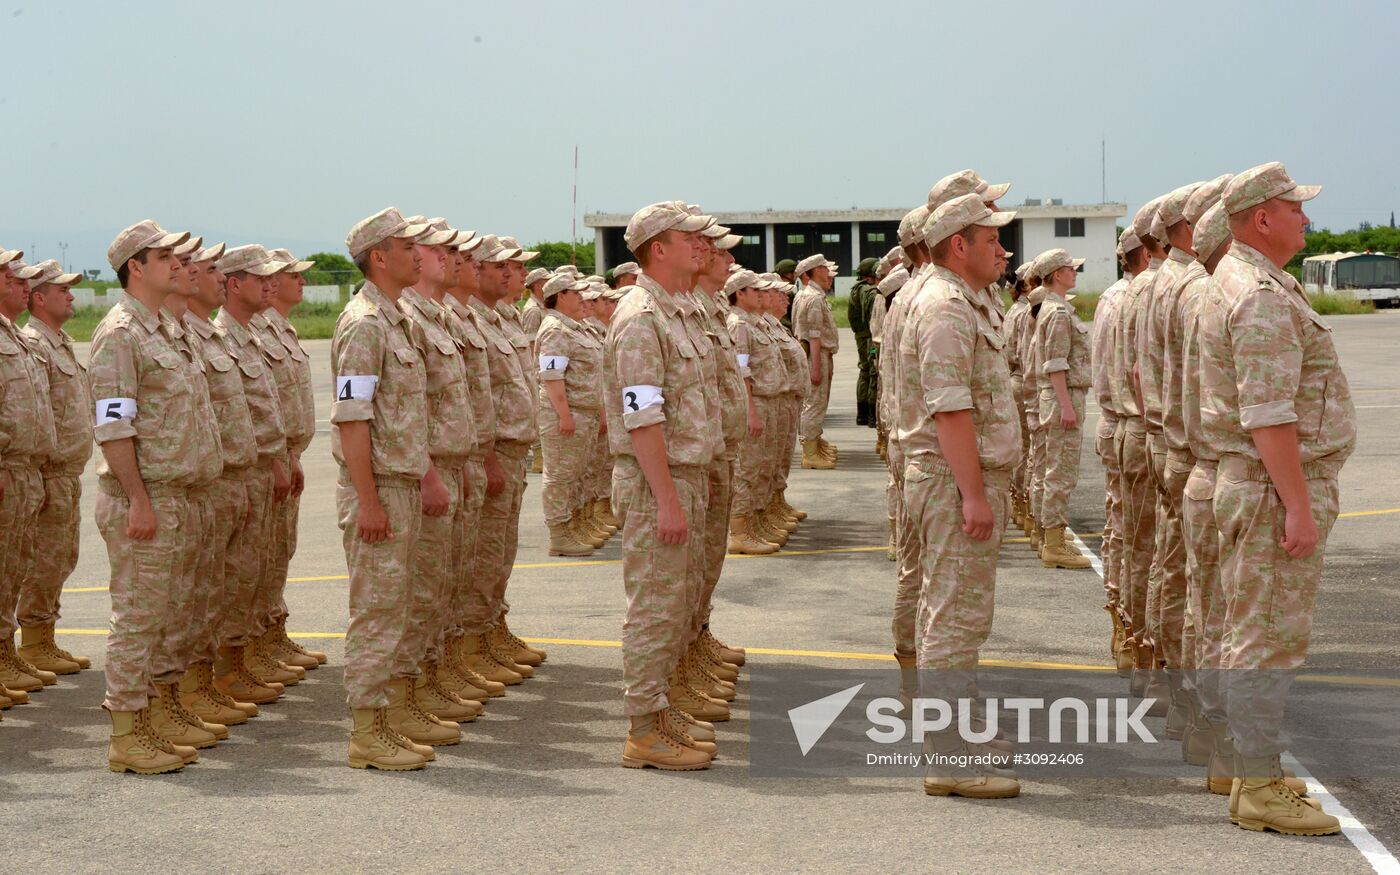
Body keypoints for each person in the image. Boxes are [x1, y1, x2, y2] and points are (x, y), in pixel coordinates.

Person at [1199, 163, 1352, 836]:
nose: (1306, 218)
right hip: (1269, 486)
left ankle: (1250, 769)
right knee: (1267, 638)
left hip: (1260, 483)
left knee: (1254, 632)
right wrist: (1297, 504)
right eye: (1295, 208)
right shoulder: (1257, 294)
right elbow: (1268, 414)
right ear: (1262, 218)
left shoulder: (1252, 280)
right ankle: (1258, 786)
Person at [896, 192, 1019, 798]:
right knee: (954, 620)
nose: (1003, 249)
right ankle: (946, 757)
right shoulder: (945, 307)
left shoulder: (960, 299)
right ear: (958, 245)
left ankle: (956, 734)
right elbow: (950, 410)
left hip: (954, 477)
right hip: (952, 480)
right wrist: (973, 494)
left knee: (952, 617)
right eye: (991, 239)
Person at [92, 220, 223, 773]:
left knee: (168, 615)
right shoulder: (120, 334)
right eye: (164, 257)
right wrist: (138, 500)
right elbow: (113, 426)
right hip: (145, 498)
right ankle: (126, 736)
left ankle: (154, 716)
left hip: (179, 495)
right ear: (136, 268)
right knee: (138, 618)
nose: (176, 264)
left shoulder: (165, 330)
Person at [605, 201, 719, 770]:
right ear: (657, 249)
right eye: (688, 237)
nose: (701, 245)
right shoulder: (640, 317)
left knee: (675, 604)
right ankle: (643, 731)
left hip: (684, 477)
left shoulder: (678, 310)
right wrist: (668, 499)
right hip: (658, 483)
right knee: (654, 606)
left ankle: (660, 707)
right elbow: (642, 418)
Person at [332, 207, 437, 770]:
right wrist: (368, 500)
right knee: (375, 612)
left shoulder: (397, 319)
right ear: (379, 257)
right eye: (407, 247)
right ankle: (366, 733)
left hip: (402, 484)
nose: (418, 255)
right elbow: (352, 420)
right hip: (379, 490)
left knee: (395, 608)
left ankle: (384, 719)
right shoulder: (365, 324)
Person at [176, 242, 279, 732]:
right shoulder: (185, 335)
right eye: (207, 268)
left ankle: (224, 671)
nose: (216, 276)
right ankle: (194, 687)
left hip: (240, 474)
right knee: (200, 591)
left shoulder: (210, 336)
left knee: (235, 580)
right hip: (207, 482)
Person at [210, 245, 292, 710]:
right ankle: (217, 673)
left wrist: (281, 459)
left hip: (260, 468)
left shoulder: (246, 336)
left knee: (254, 572)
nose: (271, 285)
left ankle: (242, 658)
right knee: (226, 580)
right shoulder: (222, 335)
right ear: (234, 283)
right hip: (229, 476)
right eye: (260, 278)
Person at [458, 235, 541, 683]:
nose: (513, 274)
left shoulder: (500, 318)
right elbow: (475, 399)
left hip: (510, 449)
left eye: (516, 266)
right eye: (502, 266)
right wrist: (486, 457)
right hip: (489, 453)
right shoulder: (467, 319)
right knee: (482, 556)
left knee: (499, 553)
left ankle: (490, 630)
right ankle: (471, 644)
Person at [16, 260, 91, 678]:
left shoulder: (59, 343)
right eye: (62, 290)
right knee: (41, 561)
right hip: (47, 472)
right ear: (39, 298)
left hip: (66, 473)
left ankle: (44, 639)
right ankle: (32, 643)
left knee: (60, 558)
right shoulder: (35, 343)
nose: (71, 295)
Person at [256, 248, 326, 672]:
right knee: (261, 558)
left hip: (286, 455)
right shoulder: (260, 331)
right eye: (291, 274)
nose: (301, 281)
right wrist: (277, 458)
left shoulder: (282, 329)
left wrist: (292, 455)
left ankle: (272, 634)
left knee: (279, 552)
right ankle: (256, 645)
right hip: (269, 460)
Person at [1111, 196, 1168, 699]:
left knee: (1138, 545)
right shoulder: (1160, 287)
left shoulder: (1126, 293)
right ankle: (1154, 662)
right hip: (1155, 432)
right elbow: (1139, 371)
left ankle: (1135, 645)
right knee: (1160, 556)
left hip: (1134, 427)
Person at [0, 255, 59, 703]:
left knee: (14, 567)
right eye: (8, 276)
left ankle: (7, 652)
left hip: (25, 470)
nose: (21, 283)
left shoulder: (15, 338)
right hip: (7, 468)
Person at [1094, 230, 1144, 672]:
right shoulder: (1136, 297)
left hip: (1115, 422)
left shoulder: (1112, 296)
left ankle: (1123, 624)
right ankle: (1132, 632)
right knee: (1137, 538)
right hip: (1133, 422)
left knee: (1121, 528)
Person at [1027, 249, 1092, 569]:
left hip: (1058, 398)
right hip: (1062, 398)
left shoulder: (1055, 308)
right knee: (1060, 474)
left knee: (1053, 471)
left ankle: (1047, 534)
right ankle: (1053, 544)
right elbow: (1055, 364)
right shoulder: (1057, 312)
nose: (1074, 272)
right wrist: (1066, 405)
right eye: (1070, 268)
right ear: (1056, 275)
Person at [536, 272, 605, 556]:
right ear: (560, 296)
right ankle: (559, 534)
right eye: (575, 293)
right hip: (566, 413)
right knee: (560, 476)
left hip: (582, 413)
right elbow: (552, 377)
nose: (581, 298)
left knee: (578, 474)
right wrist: (564, 415)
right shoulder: (555, 330)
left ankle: (575, 524)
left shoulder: (573, 328)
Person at [725, 269, 783, 556]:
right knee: (747, 469)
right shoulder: (739, 325)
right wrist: (750, 411)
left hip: (766, 402)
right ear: (740, 293)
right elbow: (741, 371)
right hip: (754, 402)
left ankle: (755, 523)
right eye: (756, 290)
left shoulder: (753, 323)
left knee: (761, 466)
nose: (763, 295)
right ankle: (739, 531)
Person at [791, 254, 840, 468]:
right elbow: (814, 335)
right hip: (815, 354)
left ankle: (814, 444)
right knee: (815, 403)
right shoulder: (814, 298)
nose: (827, 272)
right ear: (815, 271)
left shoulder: (805, 295)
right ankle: (810, 454)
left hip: (813, 353)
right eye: (823, 268)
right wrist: (817, 368)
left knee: (814, 402)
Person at [848, 258, 880, 427]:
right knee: (873, 372)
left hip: (861, 338)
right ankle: (872, 415)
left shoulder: (856, 290)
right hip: (870, 339)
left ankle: (862, 413)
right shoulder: (870, 292)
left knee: (865, 371)